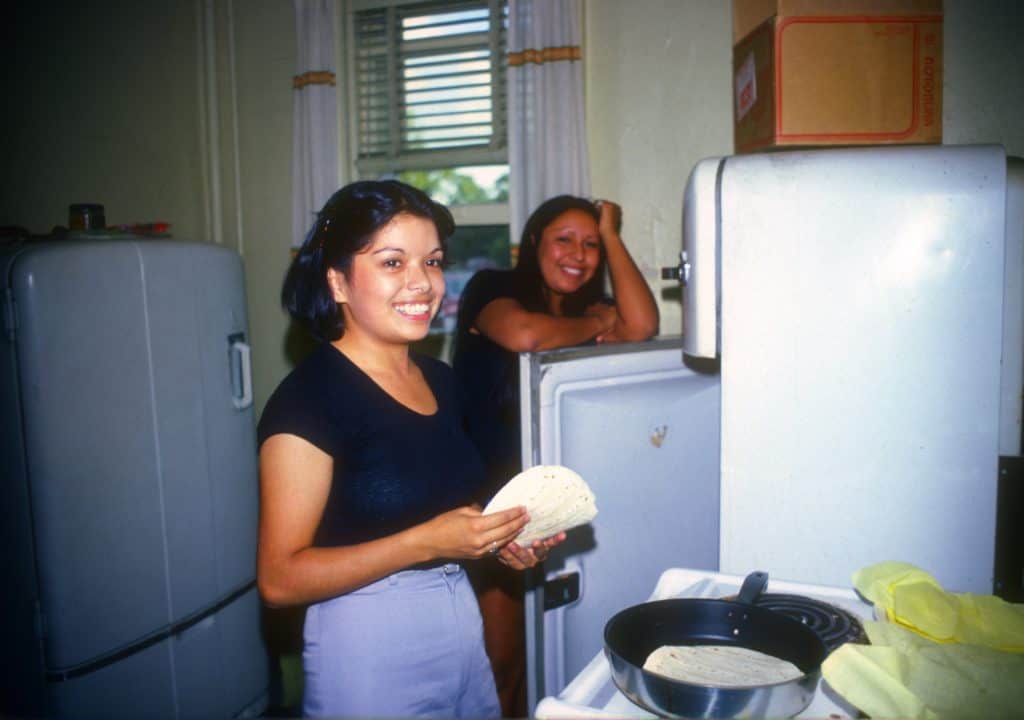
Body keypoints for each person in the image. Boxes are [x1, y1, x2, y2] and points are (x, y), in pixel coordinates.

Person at [256, 180, 565, 719]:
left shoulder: (441, 381)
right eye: (393, 263)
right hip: (366, 646)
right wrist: (426, 543)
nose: (422, 283)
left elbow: (440, 511)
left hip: (460, 622)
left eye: (433, 261)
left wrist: (499, 542)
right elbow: (279, 580)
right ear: (338, 282)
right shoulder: (307, 401)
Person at [451, 196, 659, 716]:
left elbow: (643, 326)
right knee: (497, 662)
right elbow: (524, 335)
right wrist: (594, 324)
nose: (579, 254)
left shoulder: (581, 309)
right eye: (564, 239)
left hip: (550, 503)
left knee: (539, 656)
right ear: (534, 244)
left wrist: (613, 233)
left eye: (591, 244)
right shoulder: (494, 288)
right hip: (485, 500)